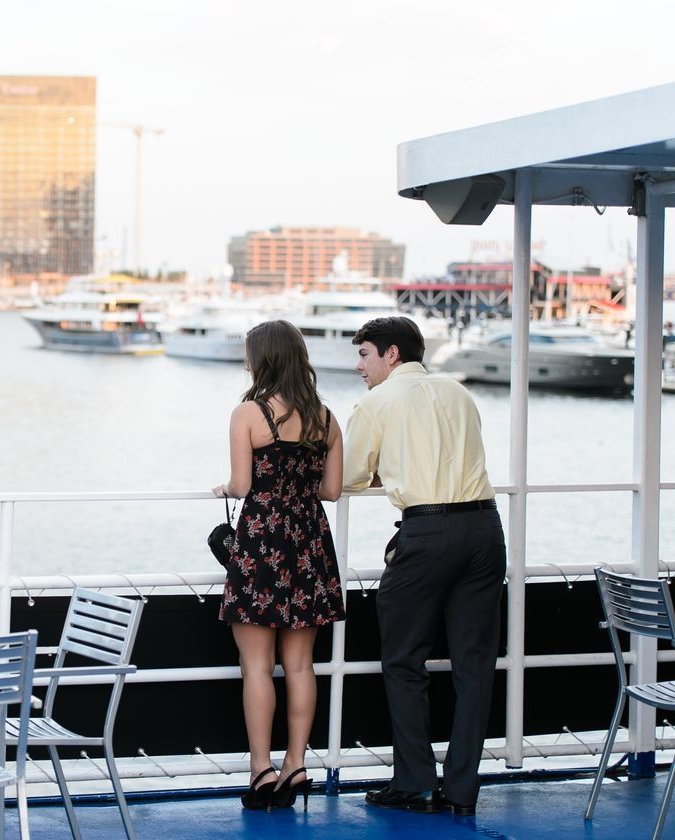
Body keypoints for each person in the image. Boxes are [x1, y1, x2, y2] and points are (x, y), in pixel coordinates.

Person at [342, 316, 505, 817]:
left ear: (392, 355)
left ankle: (414, 782)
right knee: (474, 666)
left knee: (404, 659)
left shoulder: (377, 402)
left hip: (428, 532)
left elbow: (348, 478)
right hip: (484, 527)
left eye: (365, 354)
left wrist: (385, 476)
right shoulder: (459, 392)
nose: (359, 366)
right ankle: (460, 790)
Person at [211, 319, 345, 811]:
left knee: (256, 667)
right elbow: (330, 491)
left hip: (262, 545)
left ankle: (261, 769)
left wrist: (223, 488)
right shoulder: (326, 419)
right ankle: (297, 764)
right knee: (301, 665)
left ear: (262, 359)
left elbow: (242, 486)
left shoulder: (249, 412)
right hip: (308, 544)